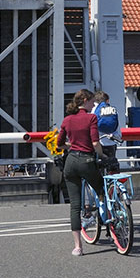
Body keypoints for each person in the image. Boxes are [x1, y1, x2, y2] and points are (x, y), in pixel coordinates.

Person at [56, 88, 100, 256]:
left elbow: (60, 144)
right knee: (101, 190)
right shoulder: (91, 118)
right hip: (87, 161)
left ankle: (78, 247)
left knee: (75, 205)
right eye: (91, 101)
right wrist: (102, 154)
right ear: (84, 101)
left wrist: (71, 146)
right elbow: (95, 143)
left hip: (71, 162)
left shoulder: (67, 120)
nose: (93, 104)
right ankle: (107, 221)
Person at [93, 90, 121, 165]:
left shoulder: (93, 111)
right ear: (107, 100)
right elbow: (117, 126)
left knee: (97, 165)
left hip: (98, 142)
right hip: (111, 141)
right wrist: (118, 137)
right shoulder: (112, 110)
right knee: (111, 164)